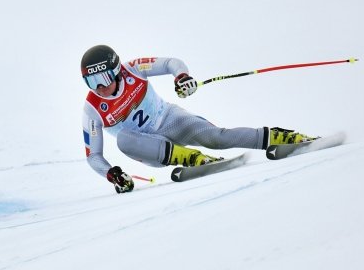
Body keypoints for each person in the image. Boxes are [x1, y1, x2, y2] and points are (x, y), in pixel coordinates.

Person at [81, 45, 315, 193]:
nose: (99, 87)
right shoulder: (92, 108)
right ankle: (193, 159)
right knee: (123, 139)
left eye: (102, 78)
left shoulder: (132, 69)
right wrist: (112, 175)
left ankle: (279, 137)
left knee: (217, 138)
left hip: (170, 119)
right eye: (92, 82)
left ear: (115, 70)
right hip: (150, 148)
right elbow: (93, 156)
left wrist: (182, 77)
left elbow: (171, 62)